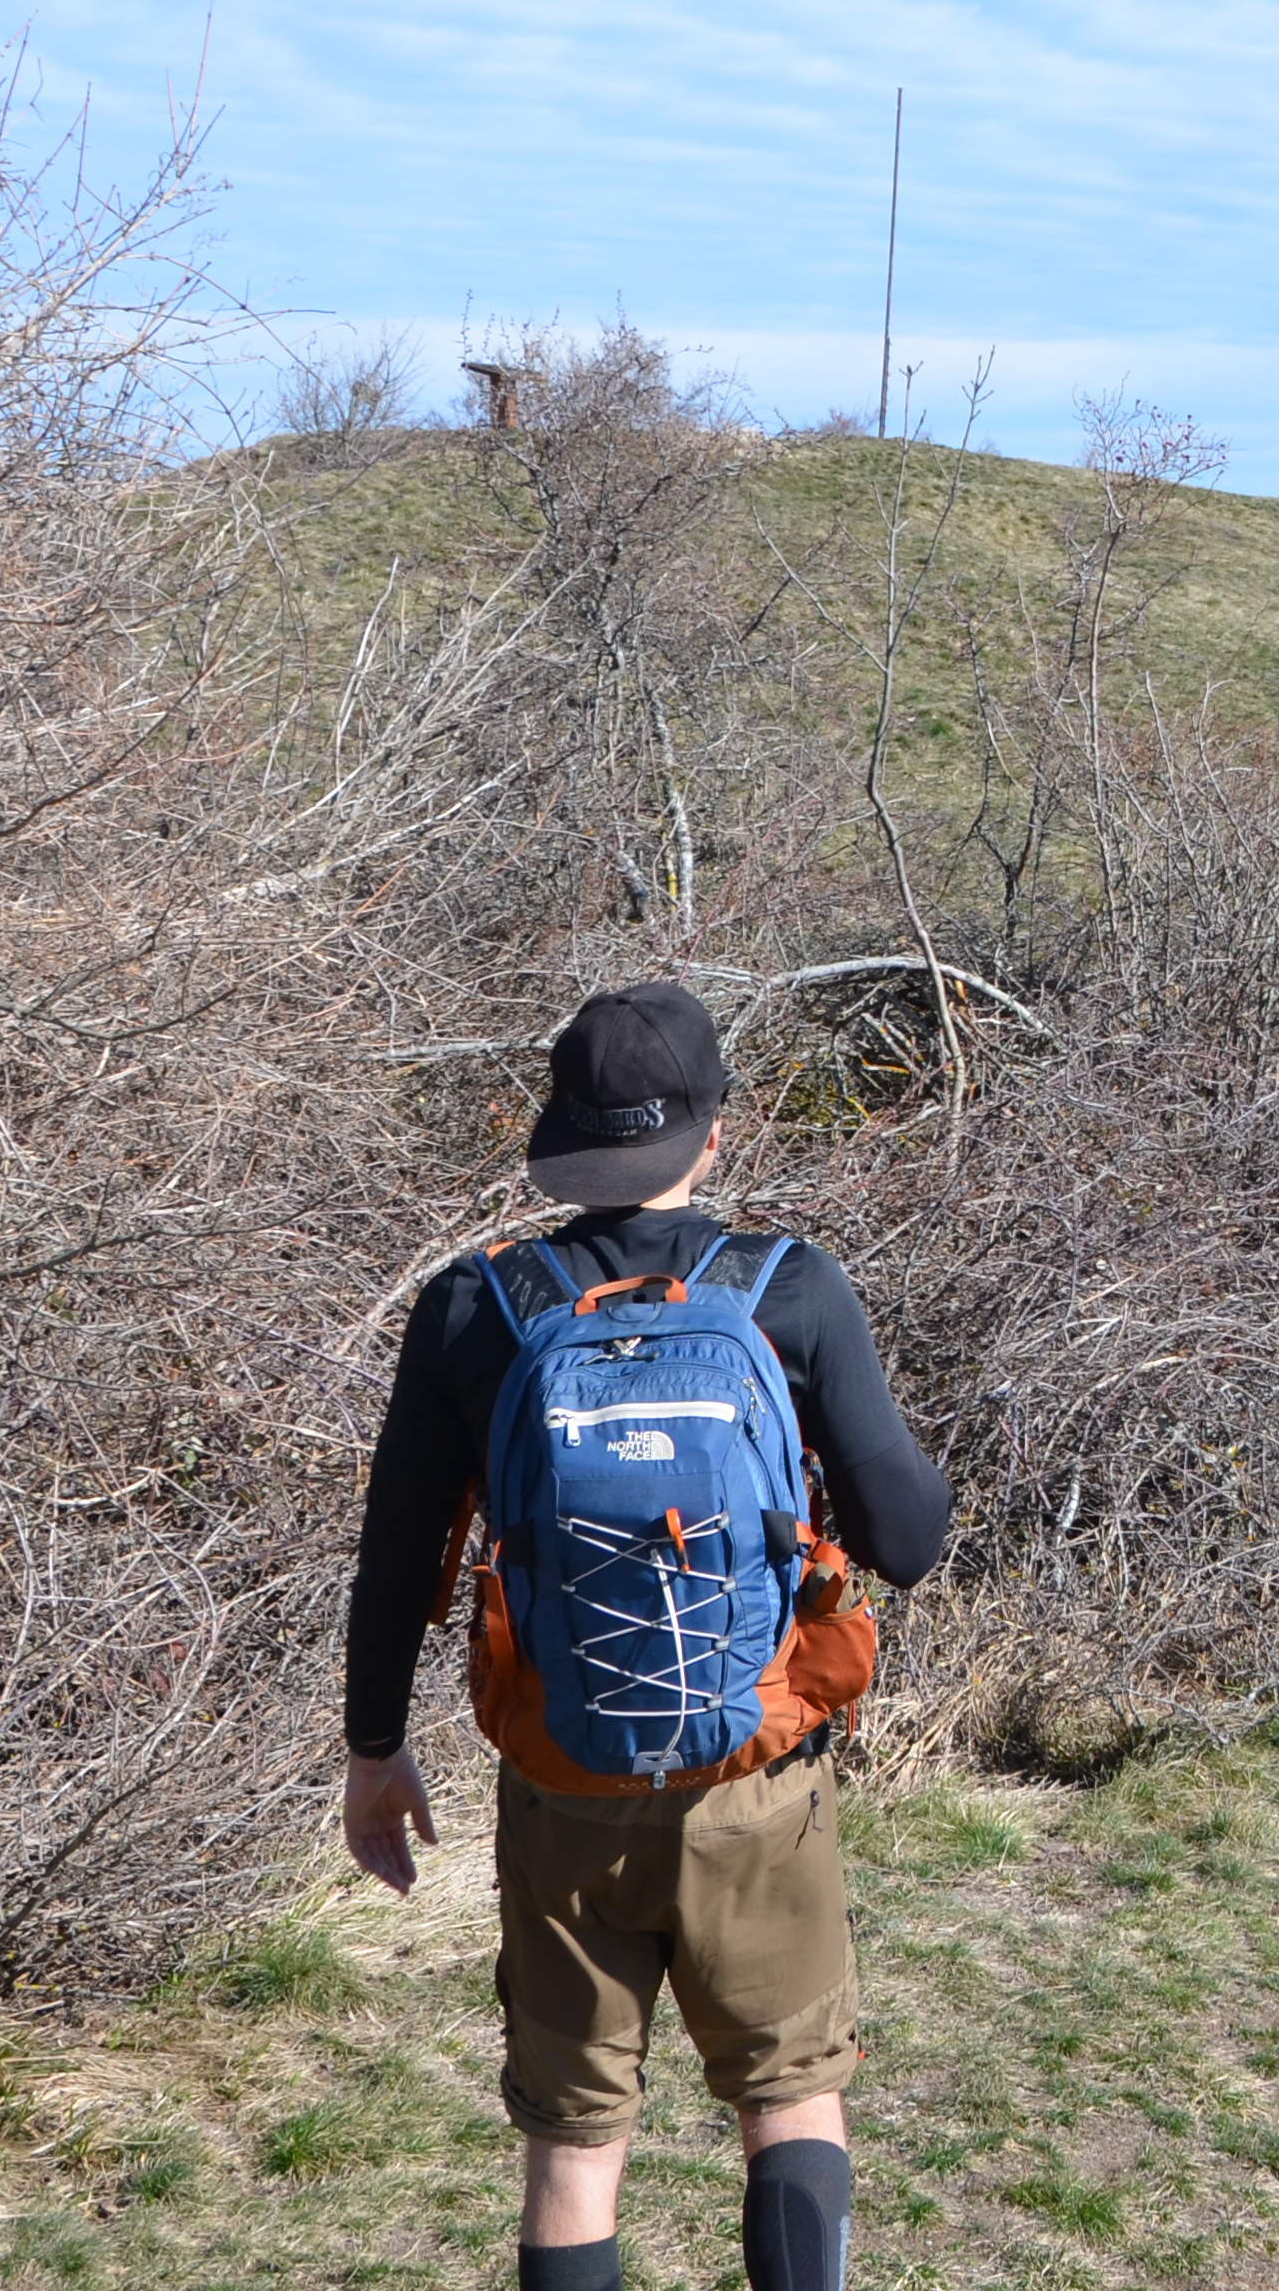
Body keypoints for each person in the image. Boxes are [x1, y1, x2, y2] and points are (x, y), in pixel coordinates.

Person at [341, 979, 954, 2291]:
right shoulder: (790, 1290)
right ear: (712, 1132)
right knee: (789, 2098)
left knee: (574, 2146)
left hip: (563, 1776)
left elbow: (397, 1557)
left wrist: (374, 1749)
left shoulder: (475, 1308)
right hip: (756, 1777)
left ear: (564, 1139)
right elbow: (906, 1542)